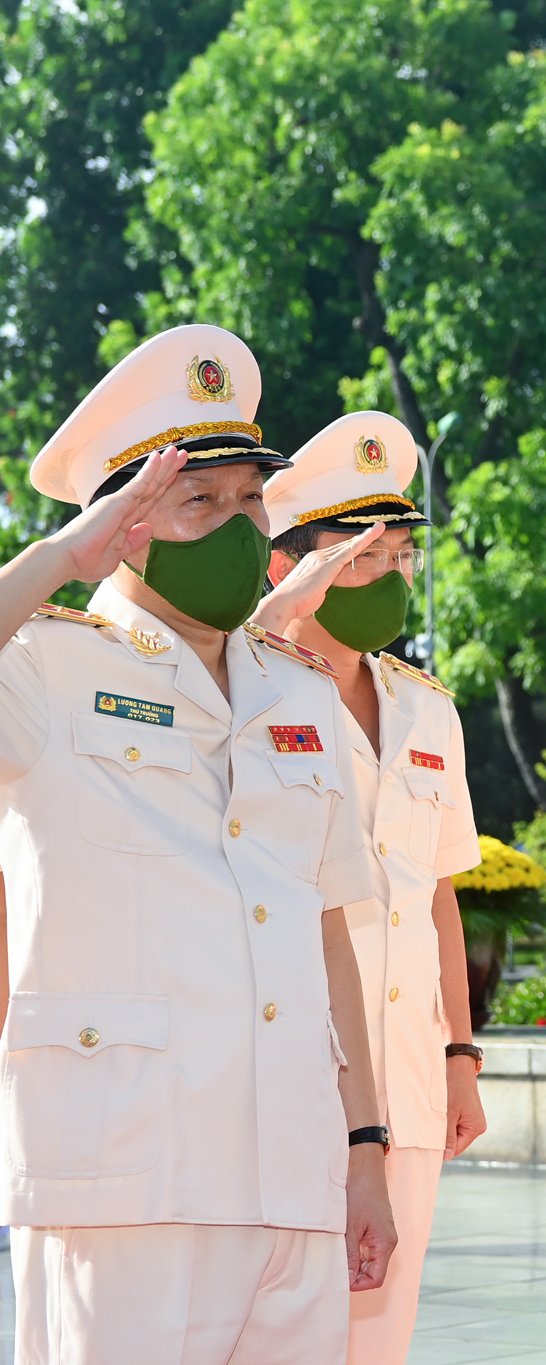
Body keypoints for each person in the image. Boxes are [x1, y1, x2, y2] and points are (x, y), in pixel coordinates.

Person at [0, 324, 396, 1362]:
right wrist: (57, 560)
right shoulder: (44, 666)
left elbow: (328, 932)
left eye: (248, 500)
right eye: (198, 502)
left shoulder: (295, 689)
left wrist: (363, 1149)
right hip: (129, 1173)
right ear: (123, 527)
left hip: (288, 1165)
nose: (235, 526)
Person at [256, 409, 490, 1362]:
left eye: (398, 552)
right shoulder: (246, 693)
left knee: (382, 1331)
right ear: (288, 567)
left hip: (410, 1066)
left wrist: (462, 1051)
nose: (389, 572)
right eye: (358, 553)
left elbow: (437, 891)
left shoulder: (427, 708)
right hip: (294, 1070)